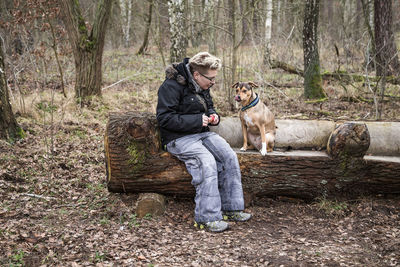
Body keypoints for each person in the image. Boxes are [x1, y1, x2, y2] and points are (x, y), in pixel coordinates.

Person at [156, 52, 251, 232]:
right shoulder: (170, 86)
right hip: (177, 138)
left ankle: (231, 208)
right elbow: (164, 119)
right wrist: (197, 120)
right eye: (211, 78)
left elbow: (209, 106)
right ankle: (207, 217)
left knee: (228, 155)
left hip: (201, 134)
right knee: (206, 162)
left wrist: (214, 117)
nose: (213, 83)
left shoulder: (202, 84)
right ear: (197, 74)